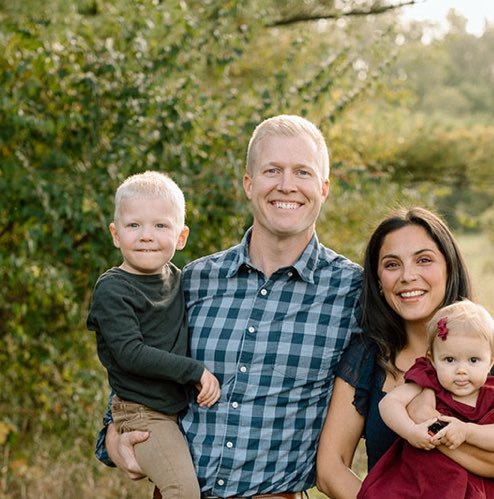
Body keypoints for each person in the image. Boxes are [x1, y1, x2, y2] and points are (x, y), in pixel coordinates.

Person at [97, 115, 363, 498]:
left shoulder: (352, 292)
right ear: (249, 184)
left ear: (323, 188)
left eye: (302, 172)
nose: (286, 185)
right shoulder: (193, 280)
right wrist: (112, 433)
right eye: (272, 170)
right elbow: (137, 360)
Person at [315, 207, 494, 499]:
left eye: (424, 260)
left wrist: (429, 421)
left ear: (449, 267)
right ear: (379, 282)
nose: (408, 276)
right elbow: (331, 469)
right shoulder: (367, 355)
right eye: (392, 265)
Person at [86, 171, 222, 499]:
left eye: (160, 226)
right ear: (116, 235)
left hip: (172, 412)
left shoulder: (177, 279)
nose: (147, 236)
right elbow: (130, 353)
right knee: (182, 491)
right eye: (134, 226)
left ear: (181, 236)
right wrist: (195, 371)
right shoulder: (113, 289)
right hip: (143, 414)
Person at [357, 300, 494, 498]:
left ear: (491, 360)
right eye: (449, 360)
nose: (461, 370)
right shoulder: (428, 382)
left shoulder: (493, 396)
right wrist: (410, 430)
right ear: (432, 359)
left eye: (473, 360)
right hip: (420, 485)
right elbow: (389, 403)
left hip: (473, 491)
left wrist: (467, 431)